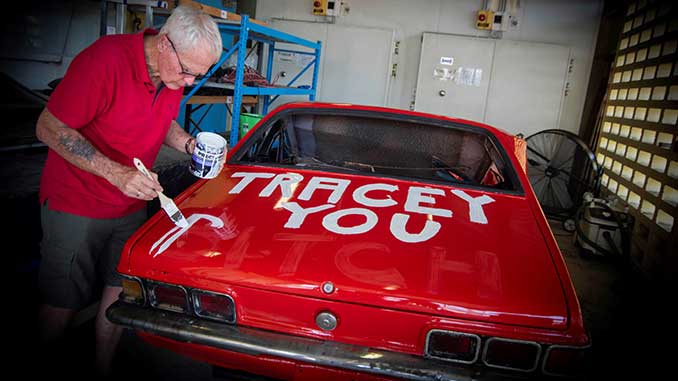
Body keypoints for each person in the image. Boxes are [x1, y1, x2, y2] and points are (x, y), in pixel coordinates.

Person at [35, 5, 222, 376]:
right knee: (62, 303)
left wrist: (188, 143)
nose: (188, 82)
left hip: (130, 206)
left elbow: (161, 117)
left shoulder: (169, 75)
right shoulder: (105, 61)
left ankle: (103, 367)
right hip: (77, 203)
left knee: (118, 295)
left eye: (198, 76)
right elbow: (48, 127)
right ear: (164, 44)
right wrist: (117, 174)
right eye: (187, 71)